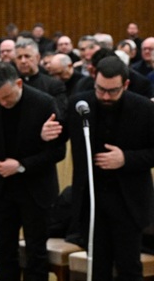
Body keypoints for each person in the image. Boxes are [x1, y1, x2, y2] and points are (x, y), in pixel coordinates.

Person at [0, 63, 65, 281]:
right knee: (5, 254)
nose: (2, 102)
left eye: (7, 97)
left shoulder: (43, 103)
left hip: (36, 190)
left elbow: (58, 153)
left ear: (19, 84)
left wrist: (21, 166)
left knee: (36, 254)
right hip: (2, 191)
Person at [63, 56, 154, 280]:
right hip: (91, 203)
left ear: (125, 85)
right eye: (100, 89)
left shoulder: (144, 109)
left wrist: (126, 158)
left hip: (128, 202)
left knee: (128, 267)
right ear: (94, 80)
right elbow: (59, 136)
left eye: (112, 91)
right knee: (97, 268)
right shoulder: (79, 104)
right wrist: (48, 134)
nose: (105, 96)